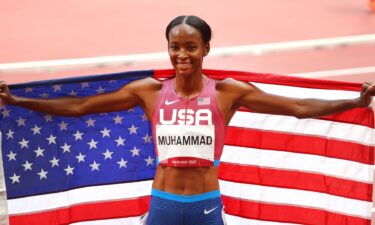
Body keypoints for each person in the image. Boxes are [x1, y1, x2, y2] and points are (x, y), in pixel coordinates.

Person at [0, 15, 374, 225]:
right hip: (162, 203)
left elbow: (297, 108)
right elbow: (81, 107)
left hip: (205, 205)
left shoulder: (228, 92)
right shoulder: (147, 91)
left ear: (206, 49)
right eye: (174, 47)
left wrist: (355, 101)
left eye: (190, 47)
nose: (182, 54)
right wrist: (18, 100)